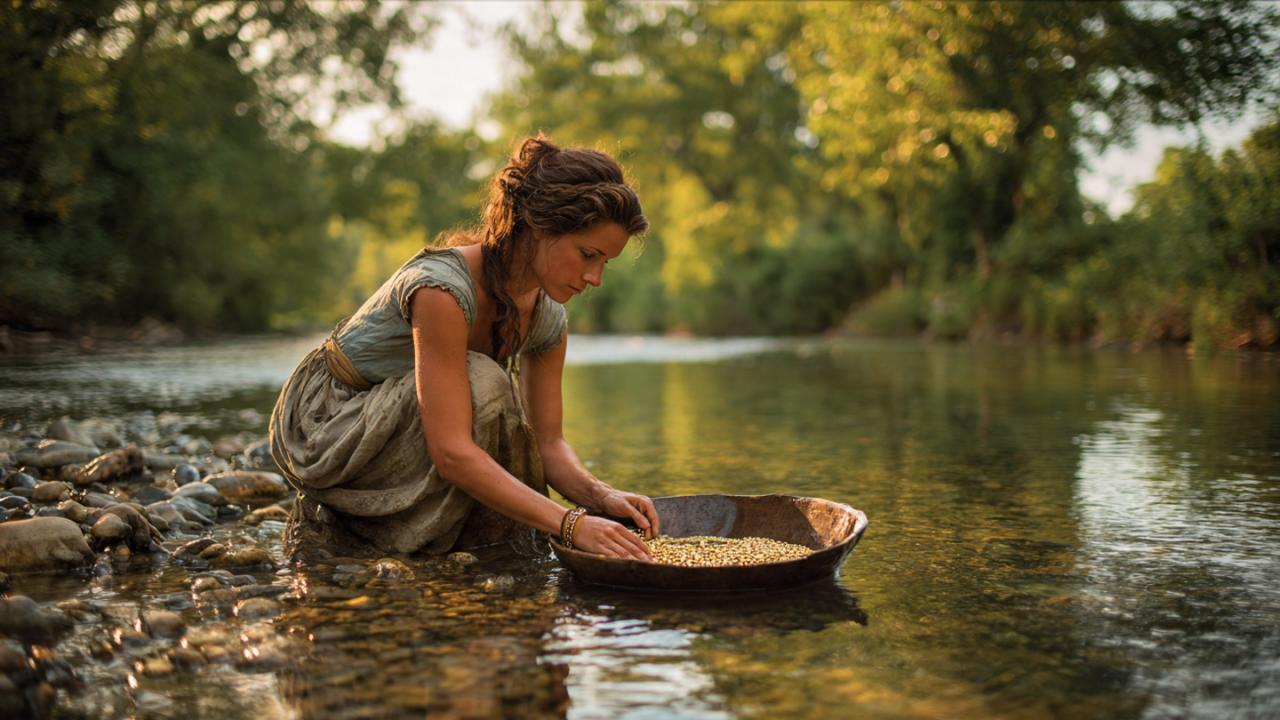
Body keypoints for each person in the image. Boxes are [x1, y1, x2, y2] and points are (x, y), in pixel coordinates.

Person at [269, 135, 659, 561]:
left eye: (605, 262)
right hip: (327, 419)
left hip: (404, 416)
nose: (595, 278)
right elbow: (451, 451)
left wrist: (600, 498)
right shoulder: (442, 292)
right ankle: (375, 528)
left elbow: (548, 444)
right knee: (486, 382)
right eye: (588, 255)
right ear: (541, 228)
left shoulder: (548, 318)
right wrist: (570, 524)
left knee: (492, 394)